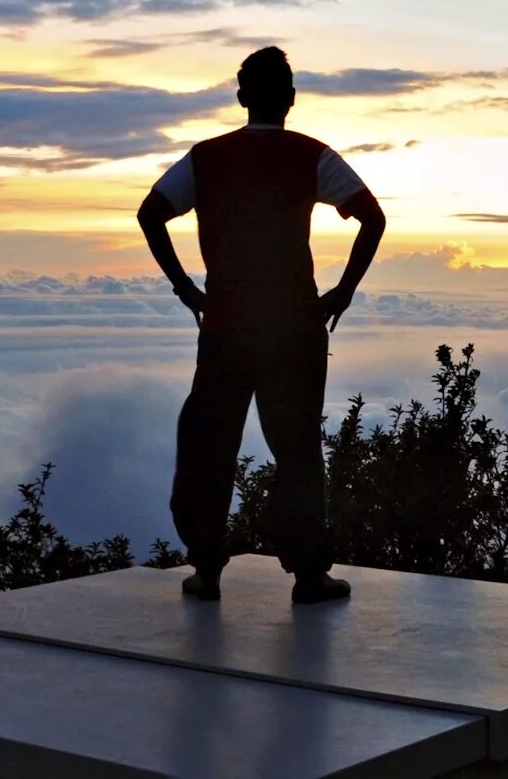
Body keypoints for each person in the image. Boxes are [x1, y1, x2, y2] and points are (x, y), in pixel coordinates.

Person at [137, 46, 386, 605]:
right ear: (291, 99)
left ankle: (207, 569)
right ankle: (307, 574)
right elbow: (373, 217)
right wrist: (342, 291)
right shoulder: (313, 156)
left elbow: (150, 213)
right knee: (297, 447)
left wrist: (185, 288)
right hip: (295, 326)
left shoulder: (206, 159)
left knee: (209, 445)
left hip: (225, 326)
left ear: (242, 96)